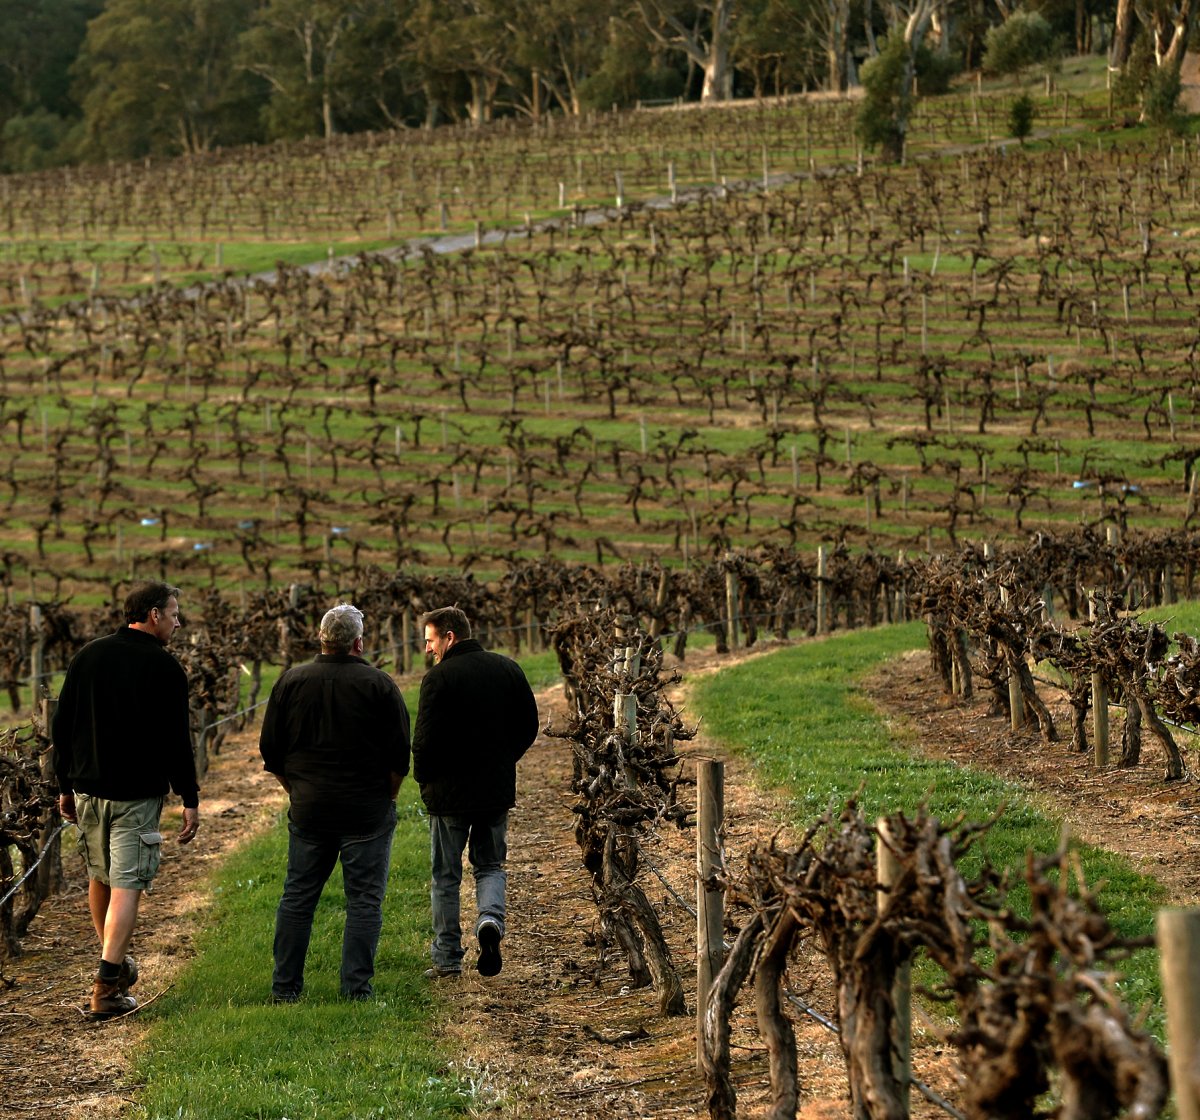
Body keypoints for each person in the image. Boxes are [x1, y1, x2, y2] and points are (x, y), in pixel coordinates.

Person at [52, 580, 200, 1020]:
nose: (178, 621)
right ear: (153, 614)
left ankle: (113, 968)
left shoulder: (88, 656)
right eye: (174, 613)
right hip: (135, 796)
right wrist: (189, 796)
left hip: (88, 791)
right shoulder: (165, 669)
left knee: (100, 877)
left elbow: (63, 727)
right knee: (127, 884)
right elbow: (178, 741)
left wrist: (64, 785)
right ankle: (105, 988)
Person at [259, 603, 410, 1002]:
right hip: (366, 809)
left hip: (310, 807)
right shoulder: (379, 685)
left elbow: (270, 751)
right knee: (363, 900)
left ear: (321, 640)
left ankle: (284, 988)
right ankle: (356, 989)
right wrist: (388, 796)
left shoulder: (290, 682)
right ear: (359, 643)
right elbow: (399, 756)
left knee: (298, 897)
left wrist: (296, 790)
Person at [412, 606, 539, 979]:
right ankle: (489, 922)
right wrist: (503, 760)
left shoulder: (438, 679)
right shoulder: (507, 669)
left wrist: (425, 781)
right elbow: (528, 725)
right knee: (490, 865)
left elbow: (423, 742)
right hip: (493, 790)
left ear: (449, 637)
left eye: (430, 640)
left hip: (448, 795)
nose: (428, 649)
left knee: (445, 877)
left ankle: (448, 958)